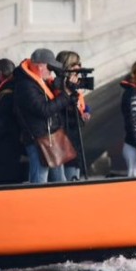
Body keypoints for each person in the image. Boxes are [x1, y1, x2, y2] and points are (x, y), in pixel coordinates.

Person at [10, 47, 76, 184]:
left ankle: (58, 205)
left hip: (50, 138)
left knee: (60, 181)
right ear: (40, 67)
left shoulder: (37, 82)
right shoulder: (26, 85)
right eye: (50, 68)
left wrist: (63, 88)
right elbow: (43, 110)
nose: (51, 72)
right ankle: (35, 205)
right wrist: (66, 95)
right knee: (39, 180)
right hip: (39, 140)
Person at [53, 50, 91, 180]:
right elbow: (59, 108)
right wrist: (67, 90)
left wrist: (86, 112)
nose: (78, 68)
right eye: (74, 64)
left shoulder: (73, 87)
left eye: (79, 64)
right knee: (66, 180)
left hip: (74, 138)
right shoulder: (56, 86)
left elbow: (82, 105)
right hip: (62, 140)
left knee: (74, 175)